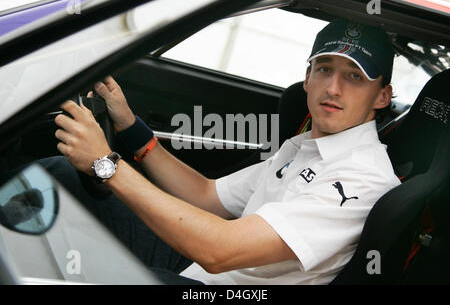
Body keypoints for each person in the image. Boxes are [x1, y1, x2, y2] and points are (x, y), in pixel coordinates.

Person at [51, 18, 401, 284]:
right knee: (60, 175)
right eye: (325, 70)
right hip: (199, 269)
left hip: (220, 280)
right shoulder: (304, 145)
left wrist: (105, 165)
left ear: (382, 96)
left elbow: (221, 251)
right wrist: (129, 126)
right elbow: (205, 196)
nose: (334, 88)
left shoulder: (361, 178)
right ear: (307, 79)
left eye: (355, 76)